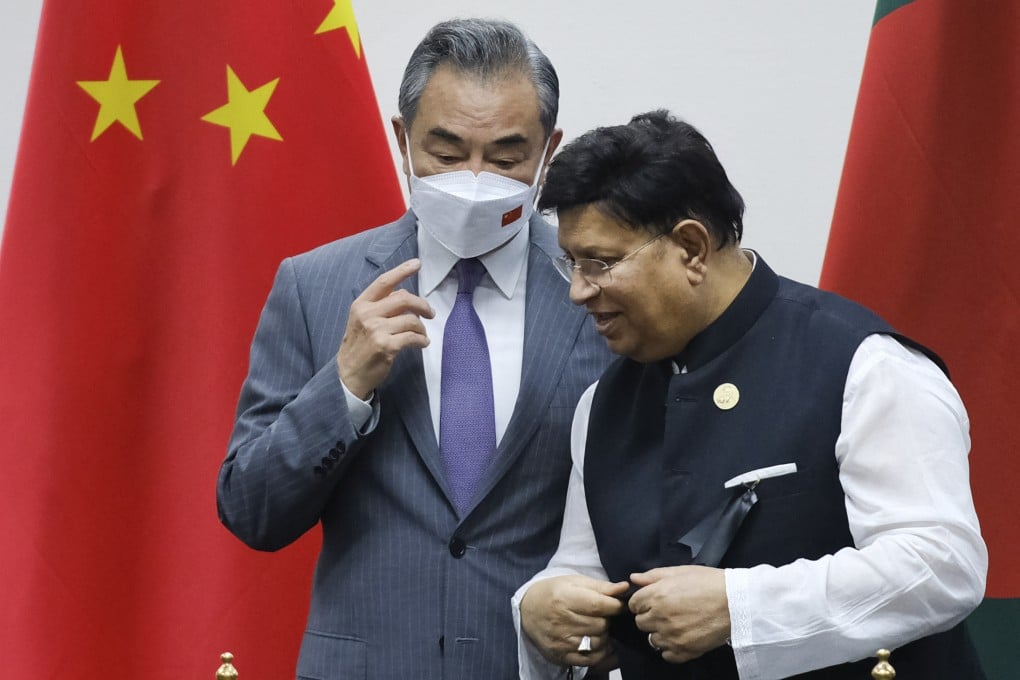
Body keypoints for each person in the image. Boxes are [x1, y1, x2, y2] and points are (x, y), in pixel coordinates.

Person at [513, 110, 988, 679]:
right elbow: (585, 567)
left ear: (691, 248)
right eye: (572, 262)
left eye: (601, 263)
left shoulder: (864, 365)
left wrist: (741, 608)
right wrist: (539, 605)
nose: (577, 290)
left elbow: (941, 566)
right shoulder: (603, 402)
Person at [216, 18, 613, 679]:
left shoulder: (599, 292)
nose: (476, 178)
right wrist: (343, 385)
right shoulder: (316, 285)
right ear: (402, 140)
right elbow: (252, 510)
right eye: (448, 154)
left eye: (509, 157)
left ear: (551, 151)